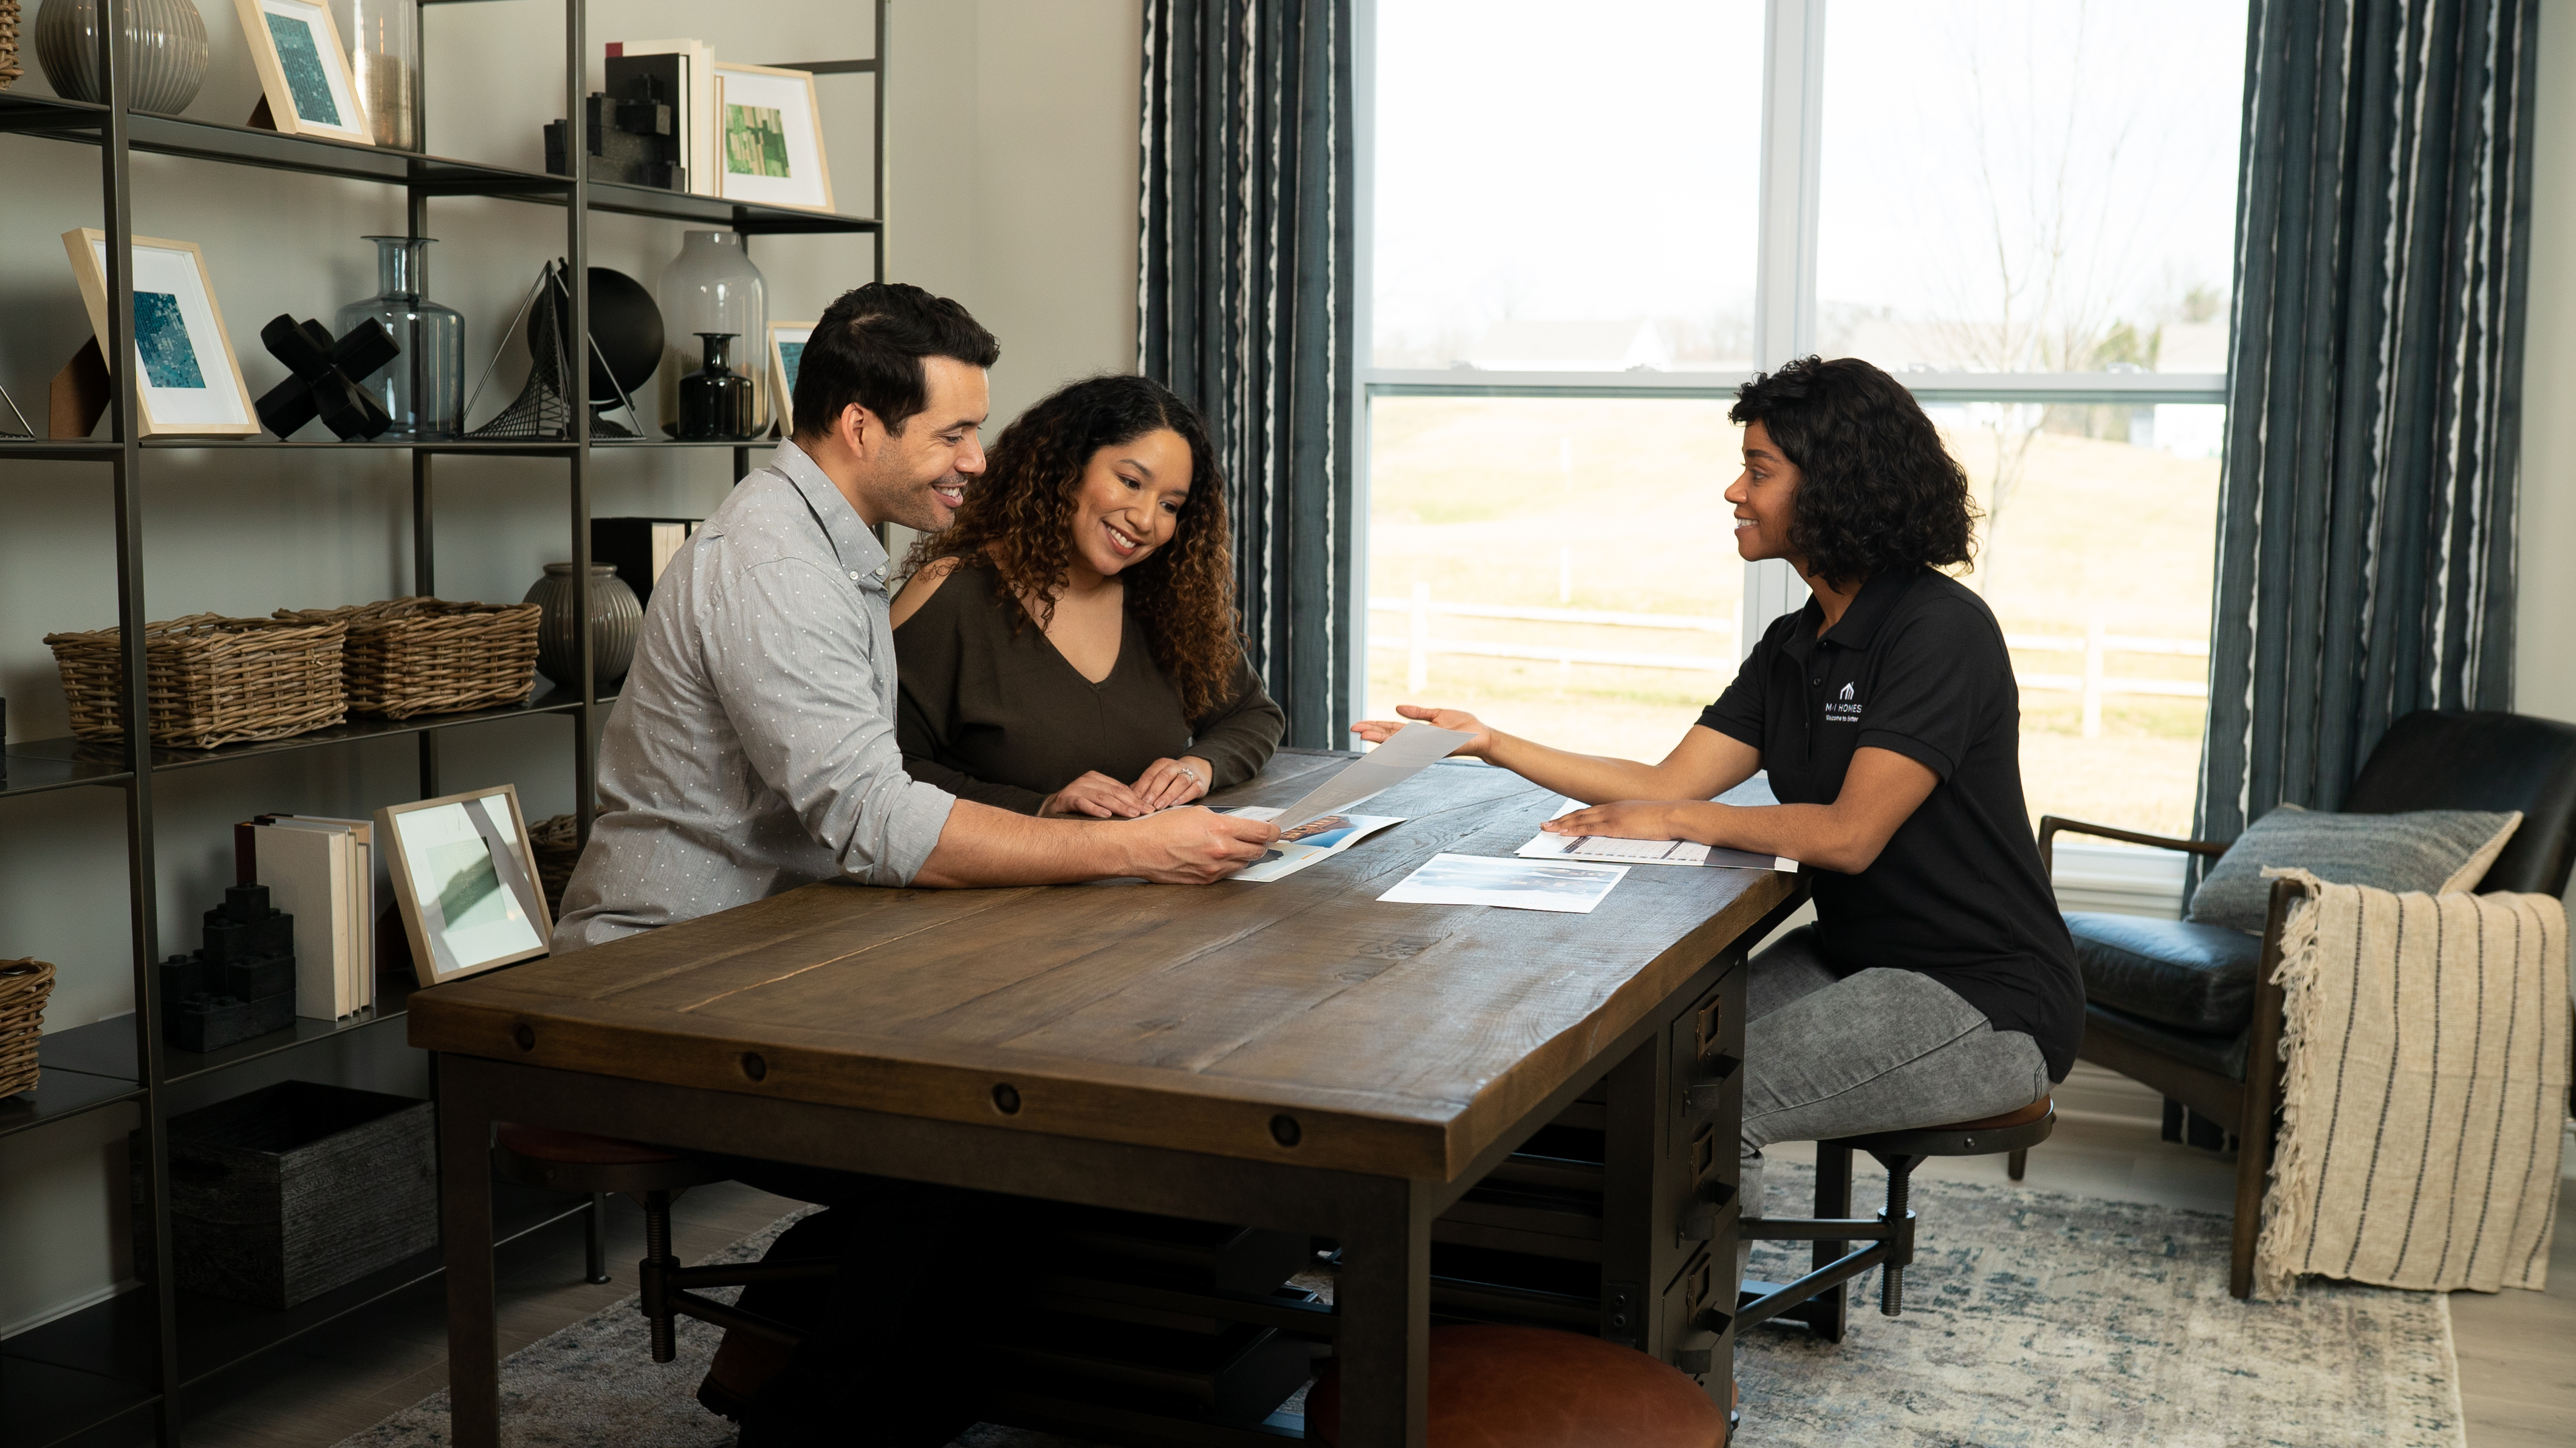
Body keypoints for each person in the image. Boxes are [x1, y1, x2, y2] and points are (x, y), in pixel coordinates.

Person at [548, 282, 1281, 1447]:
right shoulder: (771, 565)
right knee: (979, 1149)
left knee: (1023, 1131)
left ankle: (850, 1370)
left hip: (787, 954)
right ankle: (818, 1422)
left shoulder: (836, 550)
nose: (978, 461)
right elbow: (878, 815)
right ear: (858, 428)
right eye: (951, 433)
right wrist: (1126, 843)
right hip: (666, 978)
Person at [1355, 354, 2080, 1230]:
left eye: (1760, 471)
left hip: (1985, 996)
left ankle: (1696, 1367)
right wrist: (1491, 742)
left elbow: (1850, 834)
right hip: (1858, 958)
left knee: (1706, 1106)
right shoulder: (1793, 645)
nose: (1735, 491)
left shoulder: (1939, 632)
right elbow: (1666, 783)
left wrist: (1676, 818)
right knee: (1639, 1068)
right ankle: (1576, 1325)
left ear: (1835, 488)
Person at [891, 374, 1282, 817]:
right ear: (1067, 465)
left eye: (1170, 505)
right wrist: (1042, 807)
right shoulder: (950, 593)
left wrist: (1200, 766)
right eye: (1131, 482)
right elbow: (888, 774)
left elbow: (1253, 715)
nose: (1145, 519)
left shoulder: (1168, 602)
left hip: (1151, 878)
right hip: (1002, 884)